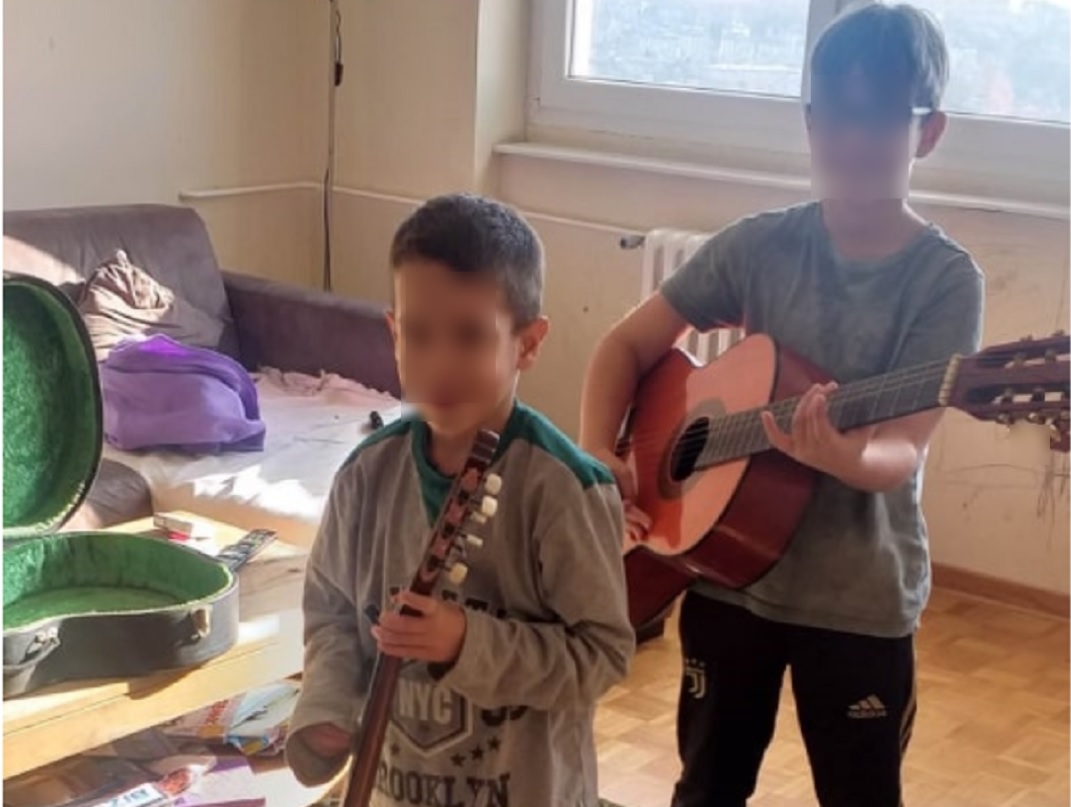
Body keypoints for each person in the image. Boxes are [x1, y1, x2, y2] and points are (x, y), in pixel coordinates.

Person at [578, 4, 985, 807]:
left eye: (879, 117)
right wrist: (598, 450)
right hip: (724, 576)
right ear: (807, 122)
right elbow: (623, 346)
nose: (852, 139)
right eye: (834, 115)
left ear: (927, 130)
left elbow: (902, 447)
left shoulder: (944, 280)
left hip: (856, 598)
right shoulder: (759, 245)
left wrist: (846, 456)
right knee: (706, 787)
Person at [286, 193, 635, 806]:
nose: (439, 363)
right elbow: (333, 614)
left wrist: (467, 643)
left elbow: (600, 655)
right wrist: (328, 705)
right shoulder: (365, 475)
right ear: (393, 332)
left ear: (528, 343)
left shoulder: (564, 489)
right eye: (418, 334)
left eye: (471, 336)